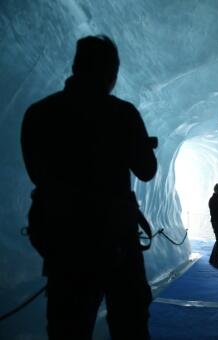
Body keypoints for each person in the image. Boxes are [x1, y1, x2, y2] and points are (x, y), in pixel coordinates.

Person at [21, 35, 157, 340]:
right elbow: (146, 171)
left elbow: (36, 174)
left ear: (75, 66)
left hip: (64, 245)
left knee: (67, 329)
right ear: (111, 73)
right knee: (130, 325)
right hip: (117, 244)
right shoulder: (123, 114)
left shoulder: (39, 113)